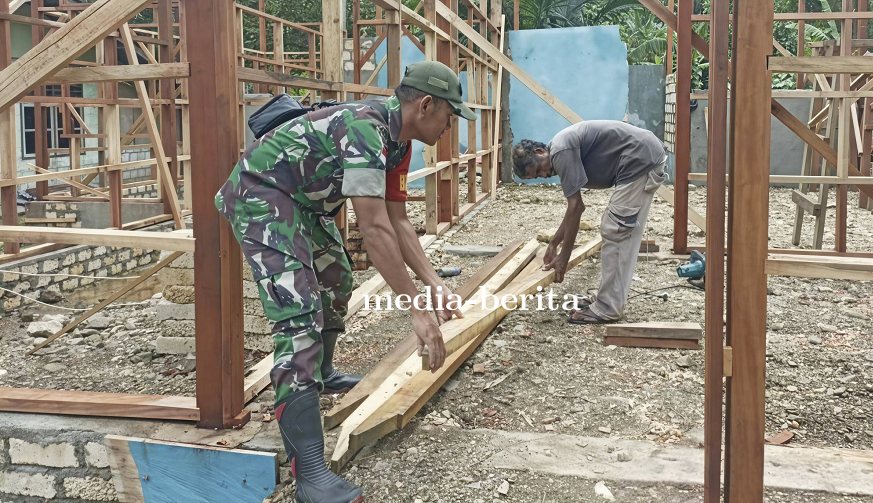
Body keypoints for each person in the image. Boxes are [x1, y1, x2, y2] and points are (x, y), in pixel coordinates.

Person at [215, 61, 475, 503]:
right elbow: (373, 230)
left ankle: (323, 372)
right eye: (450, 116)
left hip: (301, 203)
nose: (450, 127)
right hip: (261, 194)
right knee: (298, 317)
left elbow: (398, 222)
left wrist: (432, 284)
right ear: (426, 105)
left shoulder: (399, 144)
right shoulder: (366, 130)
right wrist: (416, 309)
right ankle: (311, 475)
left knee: (337, 279)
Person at [512, 120, 667, 324]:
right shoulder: (560, 150)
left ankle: (607, 308)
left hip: (640, 158)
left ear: (540, 151)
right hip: (641, 157)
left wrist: (564, 257)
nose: (544, 175)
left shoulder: (560, 151)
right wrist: (553, 243)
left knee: (617, 229)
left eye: (539, 169)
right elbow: (573, 211)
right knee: (617, 228)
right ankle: (605, 300)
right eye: (537, 177)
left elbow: (576, 207)